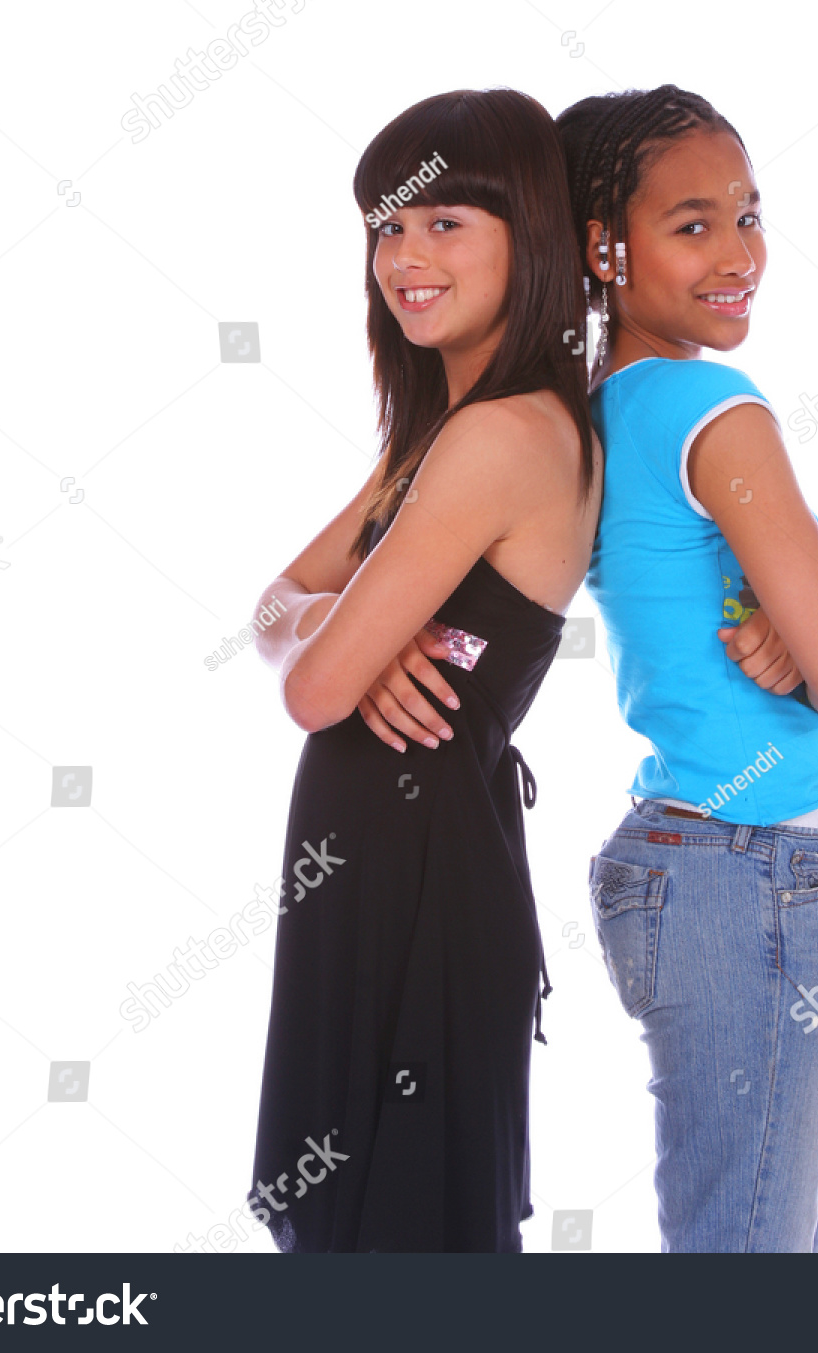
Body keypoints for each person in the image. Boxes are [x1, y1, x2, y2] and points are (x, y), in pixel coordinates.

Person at [245, 87, 602, 1253]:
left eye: (446, 222)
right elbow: (275, 610)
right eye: (387, 228)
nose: (405, 256)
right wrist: (333, 629)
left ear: (530, 237)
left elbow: (307, 687)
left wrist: (327, 638)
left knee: (393, 1239)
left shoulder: (502, 438)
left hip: (420, 888)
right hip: (379, 871)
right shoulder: (435, 438)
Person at [557, 85, 818, 1252]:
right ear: (603, 248)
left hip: (699, 865)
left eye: (750, 215)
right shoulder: (713, 407)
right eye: (691, 224)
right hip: (750, 873)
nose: (740, 253)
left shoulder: (599, 413)